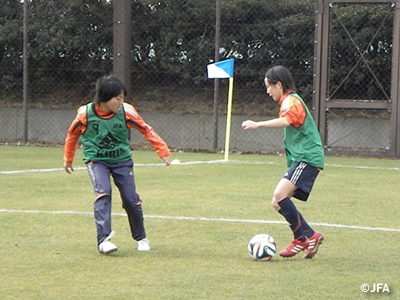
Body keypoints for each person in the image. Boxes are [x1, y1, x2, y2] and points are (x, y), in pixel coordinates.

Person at [63, 75, 171, 255]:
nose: (121, 102)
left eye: (122, 98)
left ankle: (141, 237)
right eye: (117, 98)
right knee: (103, 194)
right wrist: (68, 158)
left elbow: (146, 129)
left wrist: (162, 151)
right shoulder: (85, 115)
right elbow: (72, 134)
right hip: (96, 161)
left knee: (131, 200)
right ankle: (104, 240)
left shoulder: (126, 112)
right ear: (104, 97)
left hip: (122, 161)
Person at [241, 66, 324, 259]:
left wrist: (257, 124)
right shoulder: (289, 100)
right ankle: (310, 235)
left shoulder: (291, 101)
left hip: (307, 158)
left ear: (278, 84)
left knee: (279, 195)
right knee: (277, 202)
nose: (268, 91)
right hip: (304, 158)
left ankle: (301, 238)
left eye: (268, 86)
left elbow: (286, 121)